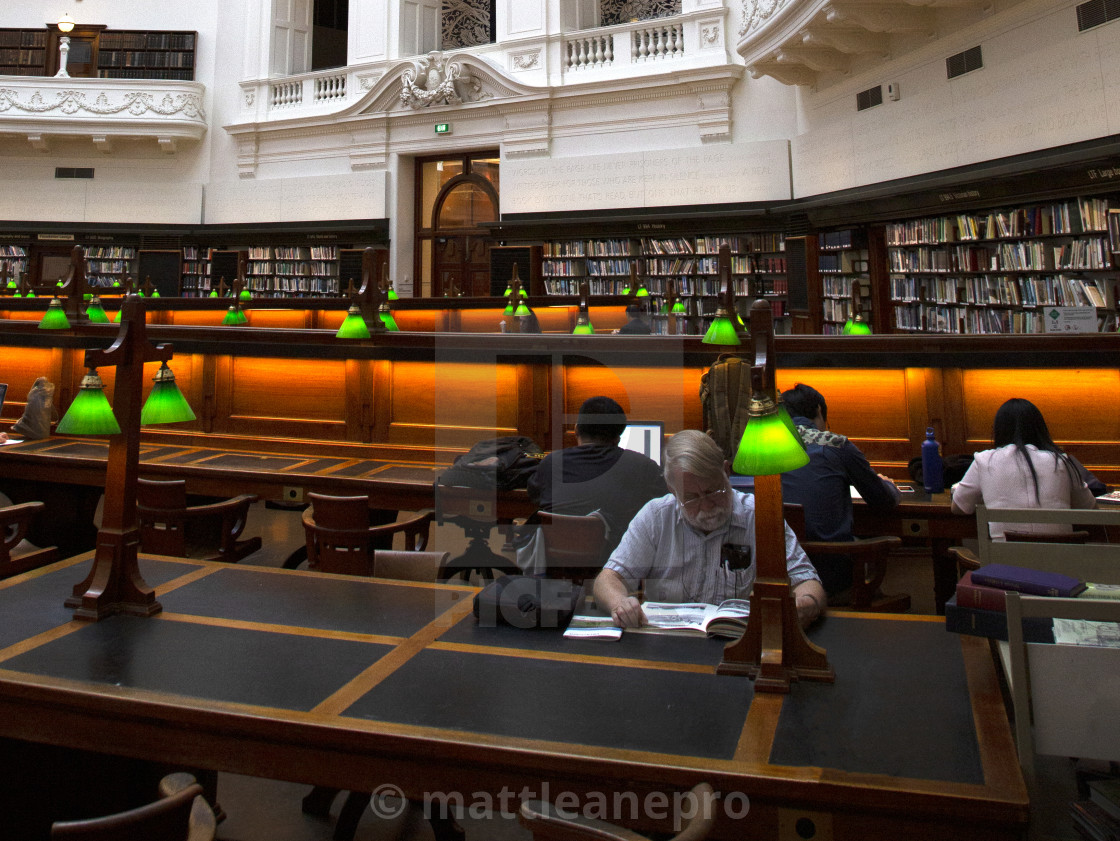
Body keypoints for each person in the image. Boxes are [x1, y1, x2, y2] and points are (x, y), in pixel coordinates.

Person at [593, 429, 825, 629]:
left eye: (714, 491)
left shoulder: (759, 516)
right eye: (691, 498)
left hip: (739, 645)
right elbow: (608, 579)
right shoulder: (656, 516)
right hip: (669, 649)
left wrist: (807, 603)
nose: (706, 506)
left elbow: (807, 581)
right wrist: (619, 603)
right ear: (672, 491)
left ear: (726, 471)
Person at [779, 383, 901, 600]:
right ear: (819, 410)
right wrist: (888, 484)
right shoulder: (835, 444)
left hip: (778, 570)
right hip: (830, 572)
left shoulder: (764, 447)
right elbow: (882, 500)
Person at [524, 396, 666, 566]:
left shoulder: (551, 463)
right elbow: (666, 504)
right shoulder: (643, 466)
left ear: (576, 429)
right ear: (618, 438)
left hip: (556, 565)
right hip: (616, 566)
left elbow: (535, 496)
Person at [951, 397, 1096, 539]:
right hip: (1058, 560)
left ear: (999, 430)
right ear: (1039, 429)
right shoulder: (1061, 461)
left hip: (1004, 561)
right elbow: (1090, 508)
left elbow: (958, 507)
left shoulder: (984, 461)